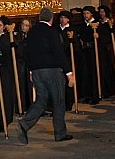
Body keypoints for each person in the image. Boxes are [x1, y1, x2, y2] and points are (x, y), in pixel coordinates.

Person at [17, 8, 74, 144]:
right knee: (59, 101)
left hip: (37, 71)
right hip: (52, 71)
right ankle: (60, 133)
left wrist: (31, 71)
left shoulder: (32, 33)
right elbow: (59, 53)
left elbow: (27, 53)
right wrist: (69, 73)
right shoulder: (52, 32)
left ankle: (25, 123)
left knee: (41, 100)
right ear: (52, 19)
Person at [0, 16, 15, 125]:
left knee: (6, 93)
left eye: (0, 25)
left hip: (6, 69)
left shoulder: (7, 38)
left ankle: (6, 118)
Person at [58, 11, 79, 111]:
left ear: (68, 19)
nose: (62, 20)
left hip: (68, 58)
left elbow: (77, 47)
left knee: (69, 81)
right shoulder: (56, 29)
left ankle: (69, 102)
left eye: (64, 18)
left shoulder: (72, 30)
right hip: (58, 59)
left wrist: (71, 40)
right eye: (61, 17)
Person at [79, 6, 100, 104]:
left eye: (87, 13)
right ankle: (86, 94)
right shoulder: (83, 25)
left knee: (93, 73)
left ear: (91, 14)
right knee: (85, 72)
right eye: (84, 13)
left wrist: (97, 37)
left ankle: (95, 95)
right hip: (85, 51)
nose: (85, 15)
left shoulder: (97, 24)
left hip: (93, 51)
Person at [96, 5, 115, 98]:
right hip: (100, 49)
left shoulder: (110, 23)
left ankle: (110, 89)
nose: (101, 14)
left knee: (108, 69)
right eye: (100, 12)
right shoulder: (98, 23)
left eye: (103, 12)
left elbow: (113, 37)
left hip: (108, 49)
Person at [15, 18, 33, 112]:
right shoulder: (16, 37)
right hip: (20, 64)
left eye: (26, 25)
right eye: (22, 24)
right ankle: (22, 107)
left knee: (30, 85)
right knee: (21, 84)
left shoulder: (32, 37)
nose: (23, 27)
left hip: (29, 63)